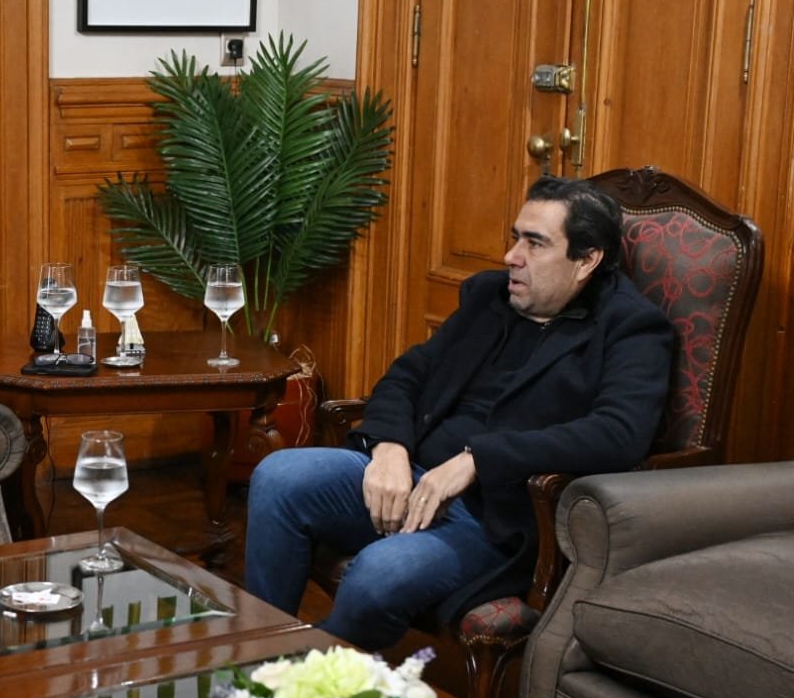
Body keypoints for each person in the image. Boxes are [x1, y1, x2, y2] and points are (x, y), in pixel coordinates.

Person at [245, 175, 674, 652]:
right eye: (515, 237)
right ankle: (258, 654)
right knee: (279, 476)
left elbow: (619, 434)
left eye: (535, 244)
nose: (512, 256)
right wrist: (389, 447)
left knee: (379, 574)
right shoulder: (490, 297)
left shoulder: (630, 327)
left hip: (492, 520)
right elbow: (408, 375)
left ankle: (307, 680)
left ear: (586, 260)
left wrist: (478, 460)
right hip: (412, 474)